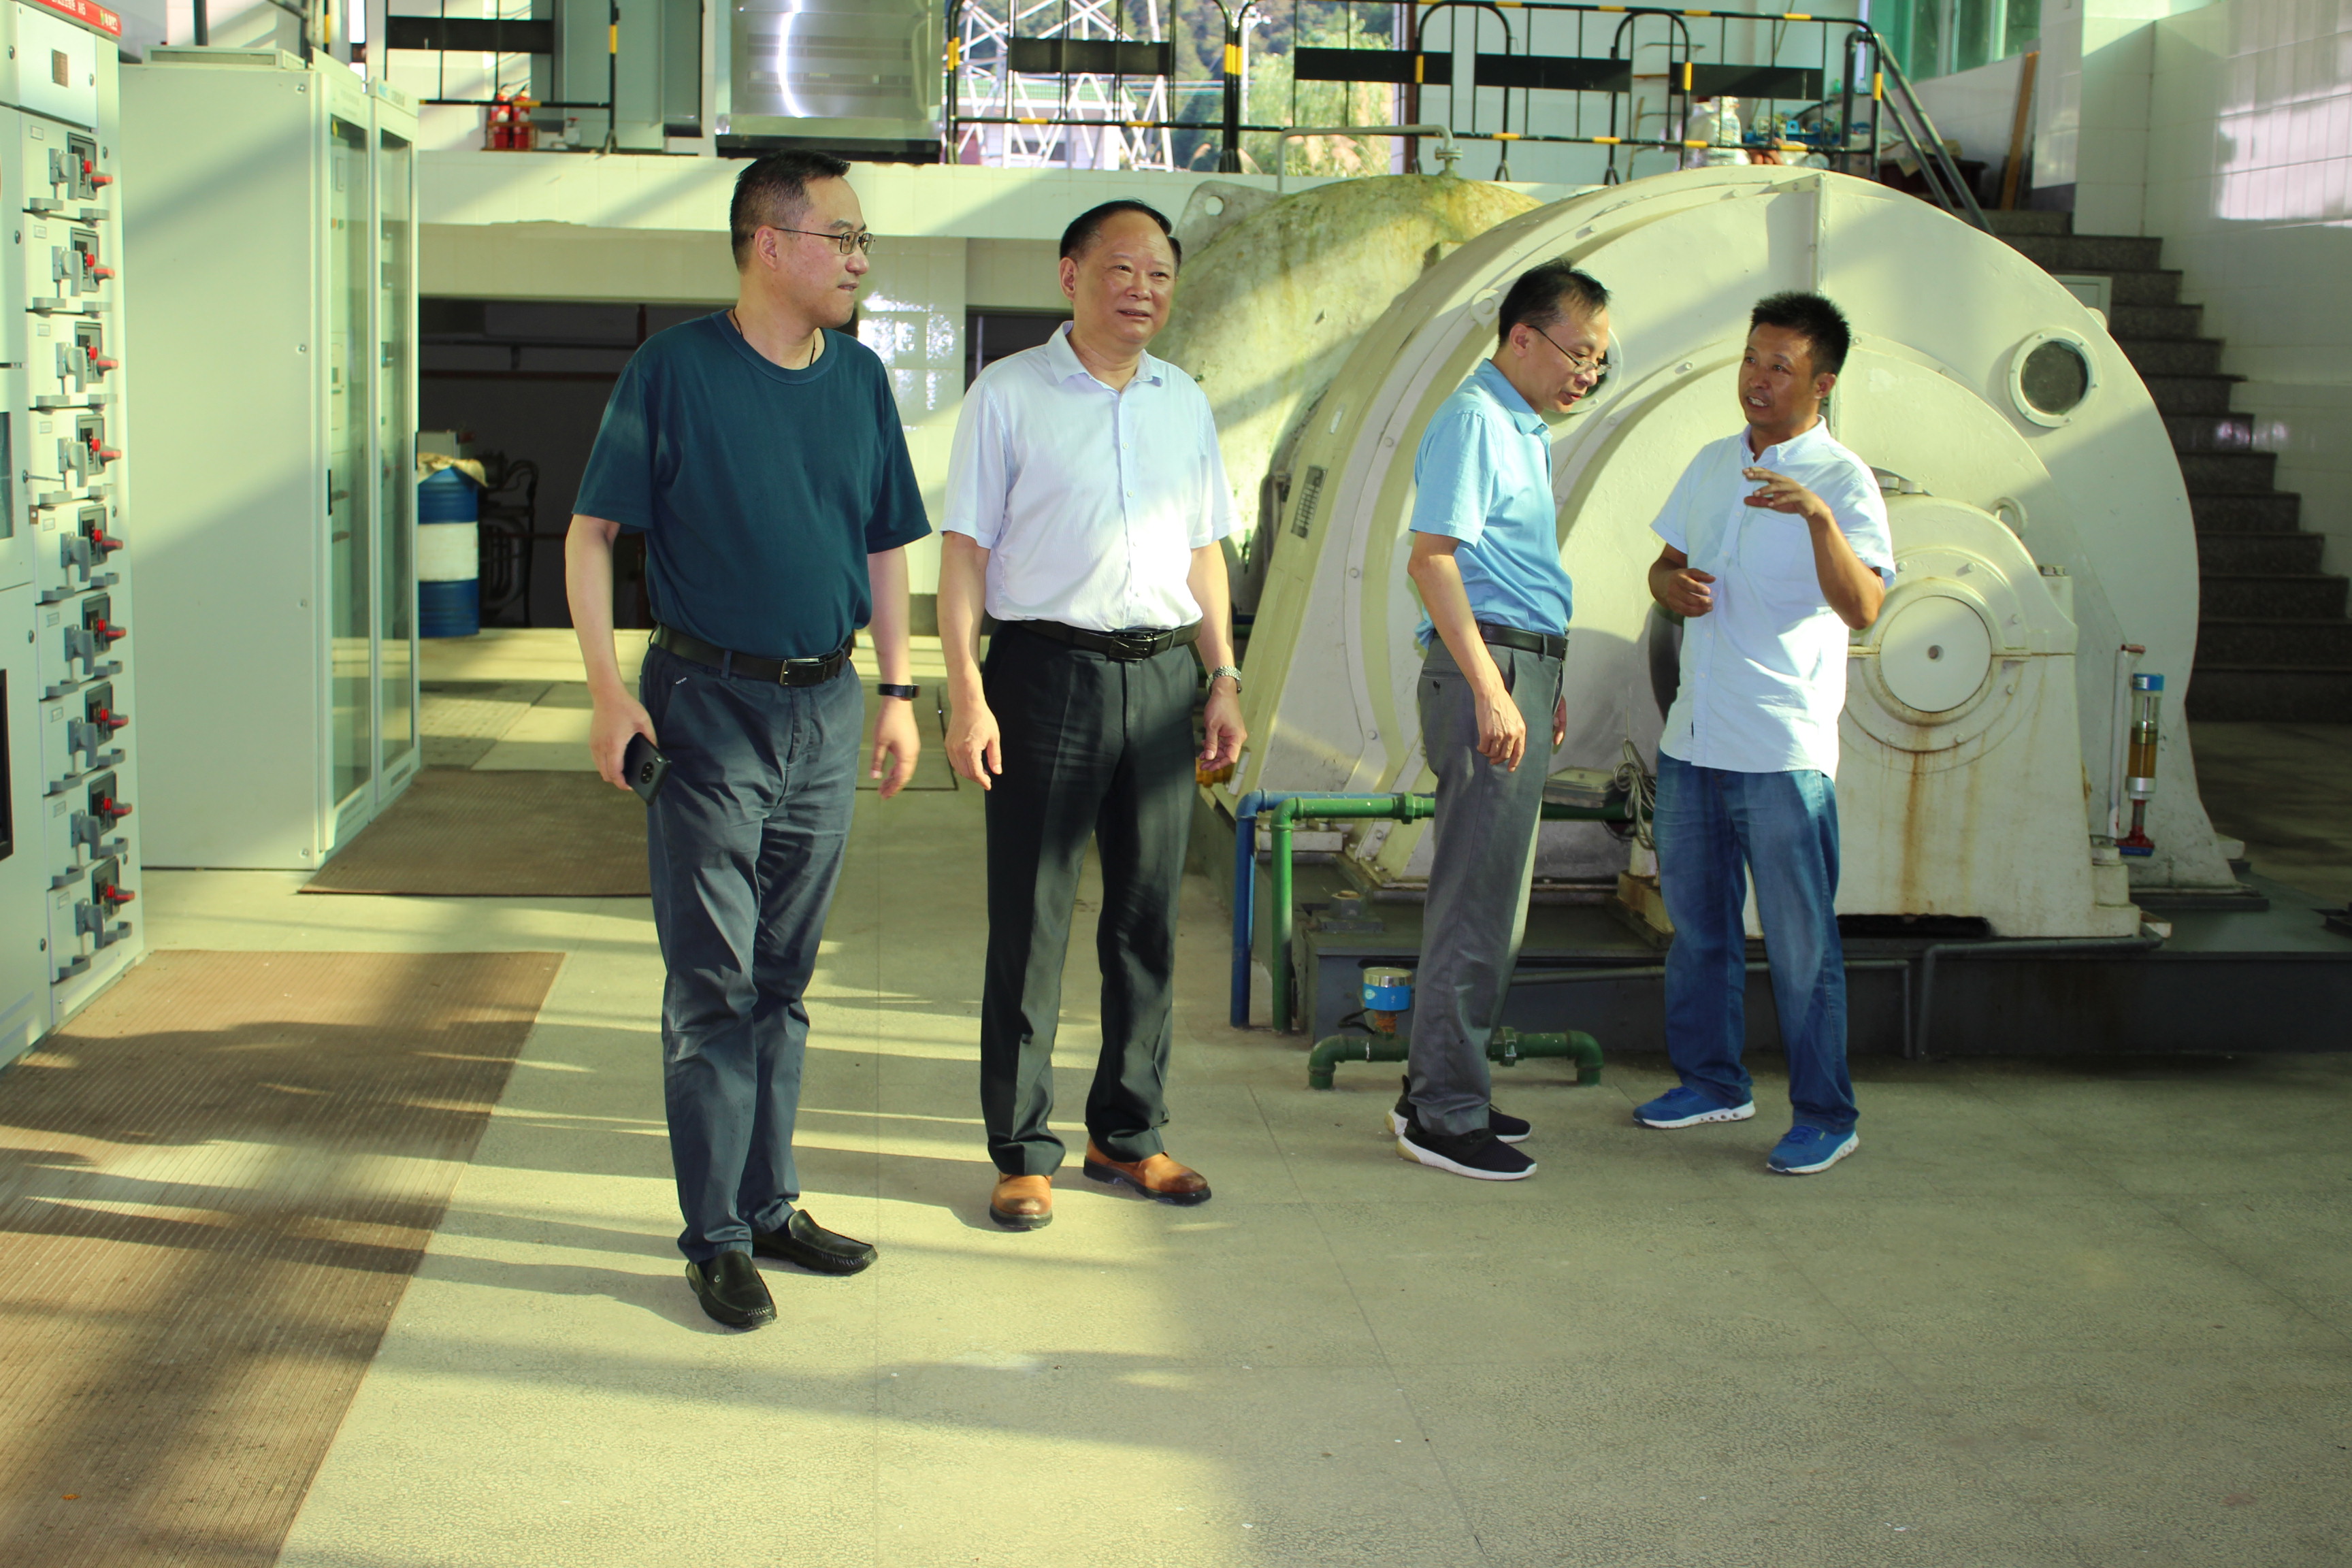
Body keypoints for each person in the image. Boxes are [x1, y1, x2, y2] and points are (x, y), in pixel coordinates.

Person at [565, 150, 931, 1328]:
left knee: (784, 979)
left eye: (864, 241)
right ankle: (716, 1236)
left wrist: (898, 690)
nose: (860, 259)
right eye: (843, 237)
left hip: (825, 707)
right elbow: (590, 534)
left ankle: (771, 1205)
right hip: (706, 707)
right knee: (713, 985)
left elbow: (885, 544)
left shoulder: (860, 379)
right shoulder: (674, 371)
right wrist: (607, 691)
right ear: (771, 246)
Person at [938, 199, 1244, 1231]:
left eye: (1160, 275)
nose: (1143, 291)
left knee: (1147, 920)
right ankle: (1023, 1151)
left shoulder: (1183, 401)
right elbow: (965, 554)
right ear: (1070, 275)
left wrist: (1223, 675)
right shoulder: (1008, 394)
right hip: (1044, 676)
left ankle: (1128, 1133)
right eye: (1122, 270)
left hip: (1161, 680)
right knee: (1032, 918)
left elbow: (1204, 551)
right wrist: (967, 692)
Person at [1636, 291, 1893, 1175]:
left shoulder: (1844, 482)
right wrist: (1669, 588)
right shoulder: (1712, 464)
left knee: (1800, 945)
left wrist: (1818, 518)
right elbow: (1663, 567)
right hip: (1693, 740)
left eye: (1780, 366)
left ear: (1822, 384)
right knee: (1698, 931)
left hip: (1781, 751)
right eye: (1751, 358)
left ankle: (1826, 1113)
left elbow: (1864, 606)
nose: (1757, 378)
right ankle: (1713, 1081)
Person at [1392, 263, 1613, 1182]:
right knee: (1476, 905)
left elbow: (1511, 570)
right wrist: (1491, 686)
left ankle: (1445, 1086)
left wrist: (1538, 678)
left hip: (1516, 663)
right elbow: (1432, 560)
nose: (1587, 376)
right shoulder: (1479, 419)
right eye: (1579, 355)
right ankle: (1442, 1114)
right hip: (1490, 666)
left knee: (1494, 902)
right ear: (1522, 337)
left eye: (1598, 362)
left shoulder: (1520, 426)